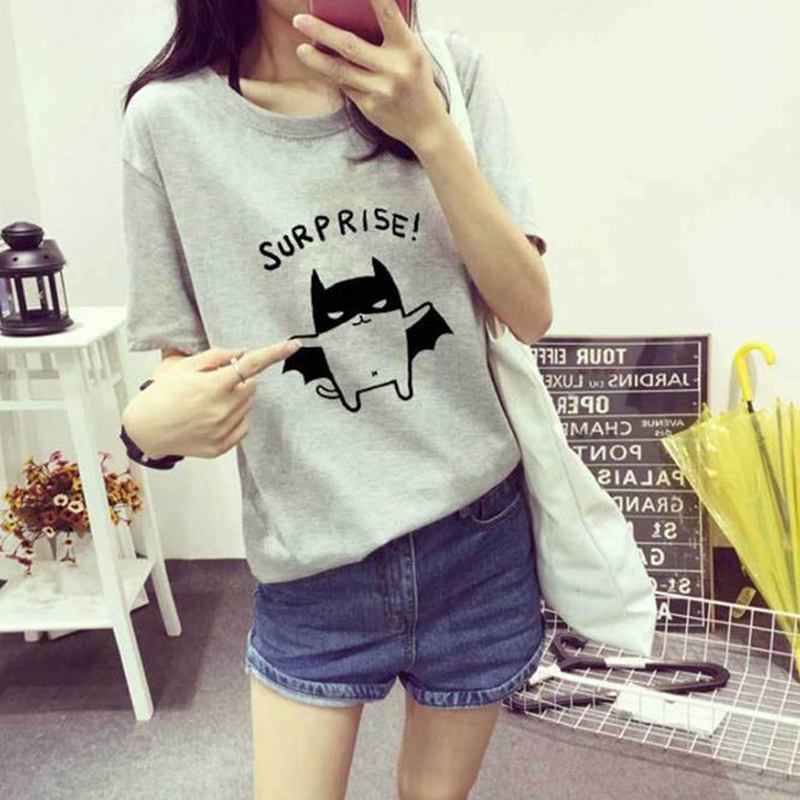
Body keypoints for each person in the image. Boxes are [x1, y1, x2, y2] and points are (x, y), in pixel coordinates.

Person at [119, 1, 553, 798]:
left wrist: (429, 128)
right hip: (311, 549)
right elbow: (180, 366)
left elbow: (528, 312)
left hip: (476, 535)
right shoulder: (168, 121)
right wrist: (148, 426)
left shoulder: (448, 73)